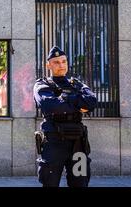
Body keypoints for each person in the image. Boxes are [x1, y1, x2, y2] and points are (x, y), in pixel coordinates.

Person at [34, 46, 97, 187]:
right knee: (50, 183)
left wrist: (65, 99)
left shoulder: (76, 84)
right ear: (48, 65)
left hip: (78, 143)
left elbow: (92, 102)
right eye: (56, 62)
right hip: (54, 141)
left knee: (80, 183)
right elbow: (50, 105)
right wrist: (78, 103)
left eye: (64, 61)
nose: (61, 65)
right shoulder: (42, 84)